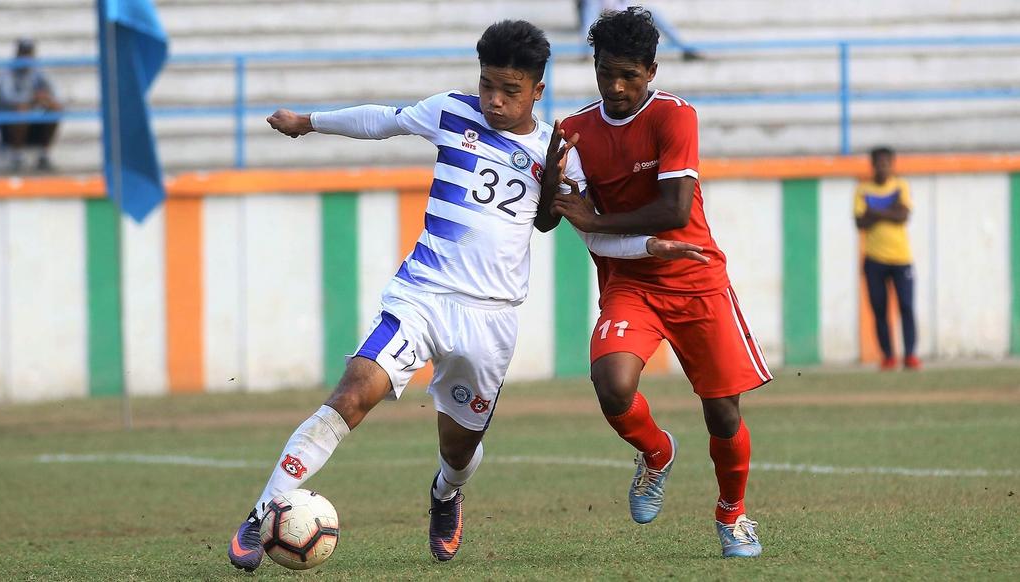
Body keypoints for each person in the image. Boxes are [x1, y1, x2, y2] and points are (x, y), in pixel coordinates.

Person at [227, 19, 708, 572]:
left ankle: (446, 495)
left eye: (510, 91)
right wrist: (309, 122)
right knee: (353, 393)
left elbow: (579, 229)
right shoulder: (451, 111)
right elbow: (383, 120)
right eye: (487, 86)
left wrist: (650, 246)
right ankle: (260, 511)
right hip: (421, 295)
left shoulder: (558, 151)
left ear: (537, 91)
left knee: (458, 450)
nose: (495, 101)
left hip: (491, 318)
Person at [549, 7, 768, 558]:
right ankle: (656, 452)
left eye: (628, 75)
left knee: (722, 411)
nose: (616, 87)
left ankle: (732, 513)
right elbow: (557, 216)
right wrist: (552, 189)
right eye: (605, 74)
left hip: (694, 277)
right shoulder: (574, 131)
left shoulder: (675, 117)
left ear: (651, 70)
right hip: (631, 281)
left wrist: (595, 220)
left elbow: (673, 209)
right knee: (612, 382)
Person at [855, 146, 920, 371]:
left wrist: (874, 211)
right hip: (874, 259)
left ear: (892, 164)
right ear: (873, 165)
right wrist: (890, 210)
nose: (882, 167)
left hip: (902, 259)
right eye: (878, 163)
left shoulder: (901, 186)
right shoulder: (863, 189)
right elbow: (860, 223)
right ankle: (888, 356)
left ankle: (910, 355)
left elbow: (903, 216)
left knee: (907, 306)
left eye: (886, 163)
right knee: (879, 309)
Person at [0, 38, 62, 172]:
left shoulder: (38, 72)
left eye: (28, 53)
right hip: (9, 125)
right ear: (17, 54)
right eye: (23, 53)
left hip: (33, 121)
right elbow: (8, 99)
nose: (26, 57)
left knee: (55, 108)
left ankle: (43, 155)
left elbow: (54, 95)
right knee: (20, 110)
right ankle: (17, 156)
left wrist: (44, 99)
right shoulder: (7, 73)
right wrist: (32, 99)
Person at [576, 1, 702, 61]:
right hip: (602, 17)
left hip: (622, 15)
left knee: (653, 13)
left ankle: (684, 47)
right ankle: (586, 50)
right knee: (590, 9)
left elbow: (628, 7)